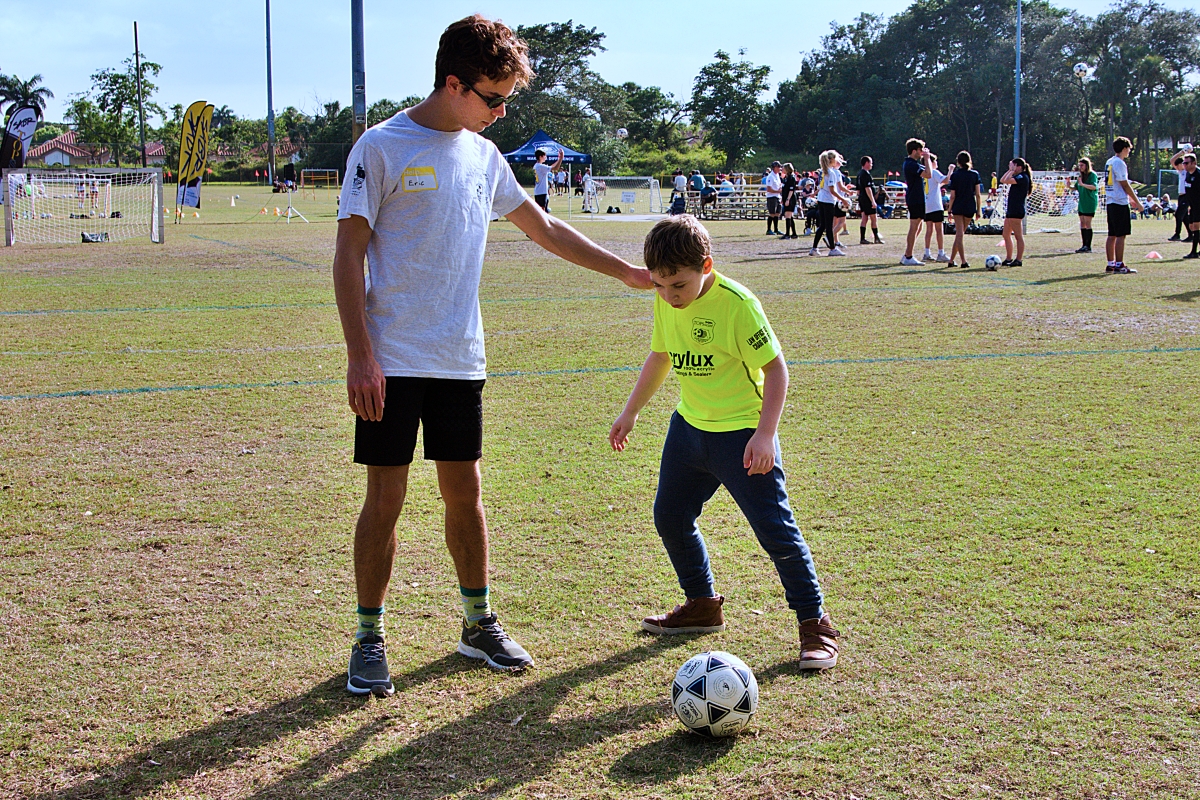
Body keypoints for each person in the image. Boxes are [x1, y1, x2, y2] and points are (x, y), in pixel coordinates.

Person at [333, 14, 653, 696]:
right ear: (453, 83)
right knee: (385, 498)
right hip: (391, 359)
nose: (503, 113)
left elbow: (545, 228)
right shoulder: (381, 147)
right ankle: (369, 637)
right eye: (494, 98)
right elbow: (347, 256)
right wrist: (361, 357)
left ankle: (478, 624)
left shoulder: (484, 156)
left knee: (465, 493)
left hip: (459, 357)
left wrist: (625, 272)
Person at [608, 214, 839, 670]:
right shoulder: (665, 299)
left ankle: (817, 626)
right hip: (689, 429)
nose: (669, 296)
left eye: (678, 285)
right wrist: (631, 410)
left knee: (776, 534)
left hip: (741, 436)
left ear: (707, 266)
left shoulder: (738, 304)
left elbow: (776, 370)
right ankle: (702, 605)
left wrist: (765, 434)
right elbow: (661, 355)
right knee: (670, 518)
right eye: (659, 285)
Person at [1104, 136, 1143, 274]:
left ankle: (1111, 263)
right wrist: (1137, 201)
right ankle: (1119, 264)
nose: (1129, 152)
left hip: (1110, 201)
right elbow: (1124, 184)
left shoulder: (1109, 161)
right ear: (1124, 148)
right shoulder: (1119, 163)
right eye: (1129, 149)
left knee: (1112, 234)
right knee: (1121, 235)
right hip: (1119, 202)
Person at [810, 150, 850, 257]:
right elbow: (833, 190)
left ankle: (814, 248)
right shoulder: (831, 172)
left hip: (822, 199)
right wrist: (843, 199)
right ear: (832, 160)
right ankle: (832, 249)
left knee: (822, 225)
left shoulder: (824, 171)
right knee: (828, 225)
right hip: (828, 200)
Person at [947, 150, 982, 268]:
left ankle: (962, 261)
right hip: (969, 206)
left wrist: (949, 210)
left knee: (959, 235)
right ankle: (951, 260)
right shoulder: (974, 174)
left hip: (958, 206)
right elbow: (977, 194)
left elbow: (952, 196)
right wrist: (979, 210)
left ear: (958, 162)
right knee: (960, 234)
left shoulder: (955, 175)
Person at [901, 138, 928, 266]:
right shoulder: (911, 164)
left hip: (916, 198)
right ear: (914, 151)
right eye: (920, 150)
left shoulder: (912, 163)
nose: (922, 152)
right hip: (915, 198)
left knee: (918, 226)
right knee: (914, 227)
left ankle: (907, 253)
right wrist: (927, 158)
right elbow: (928, 174)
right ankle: (908, 255)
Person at [999, 157, 1030, 266]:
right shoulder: (1017, 176)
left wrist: (1012, 171)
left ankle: (1019, 259)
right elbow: (1002, 180)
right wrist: (1010, 170)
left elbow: (1007, 181)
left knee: (1018, 236)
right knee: (1006, 234)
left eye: (1012, 165)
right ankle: (1008, 258)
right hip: (1011, 210)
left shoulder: (1022, 177)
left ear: (1019, 167)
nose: (1010, 167)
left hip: (1017, 210)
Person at [921, 152, 951, 262]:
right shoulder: (934, 172)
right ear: (931, 162)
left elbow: (937, 184)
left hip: (927, 205)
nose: (936, 163)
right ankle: (941, 253)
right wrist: (950, 170)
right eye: (935, 161)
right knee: (939, 230)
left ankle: (927, 253)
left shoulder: (924, 173)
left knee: (929, 230)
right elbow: (946, 180)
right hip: (936, 205)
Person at [1073, 157, 1099, 254]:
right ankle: (1084, 245)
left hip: (1089, 201)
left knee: (1088, 223)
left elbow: (1094, 187)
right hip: (1082, 202)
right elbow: (1076, 187)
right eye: (1079, 165)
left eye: (1082, 165)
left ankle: (1088, 246)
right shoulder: (1081, 176)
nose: (1080, 167)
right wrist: (1068, 186)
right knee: (1082, 222)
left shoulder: (1092, 175)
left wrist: (1083, 184)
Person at [857, 156, 883, 244]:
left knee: (864, 218)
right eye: (871, 163)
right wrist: (873, 201)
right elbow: (867, 188)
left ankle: (862, 238)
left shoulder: (859, 174)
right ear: (867, 163)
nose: (872, 164)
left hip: (862, 199)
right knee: (874, 218)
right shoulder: (866, 174)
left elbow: (858, 190)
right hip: (867, 199)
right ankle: (876, 238)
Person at [1179, 151, 1199, 259]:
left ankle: (1194, 252)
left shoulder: (1198, 175)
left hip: (1198, 206)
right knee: (1192, 227)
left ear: (1193, 163)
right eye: (1184, 163)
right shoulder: (1187, 174)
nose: (1184, 165)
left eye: (1186, 163)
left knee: (1196, 227)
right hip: (1192, 205)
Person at [532, 146, 563, 213]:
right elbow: (556, 168)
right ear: (540, 157)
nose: (546, 157)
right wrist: (561, 158)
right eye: (544, 156)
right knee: (542, 212)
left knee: (541, 211)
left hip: (538, 191)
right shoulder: (540, 166)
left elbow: (551, 167)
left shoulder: (536, 166)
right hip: (542, 192)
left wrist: (558, 160)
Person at [763, 162, 783, 235]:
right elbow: (769, 189)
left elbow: (779, 185)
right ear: (774, 167)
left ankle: (776, 229)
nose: (779, 169)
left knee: (777, 213)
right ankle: (769, 229)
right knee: (772, 213)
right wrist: (777, 191)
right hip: (772, 197)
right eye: (778, 167)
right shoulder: (770, 176)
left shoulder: (777, 175)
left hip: (777, 196)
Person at [780, 163, 799, 239]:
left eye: (783, 168)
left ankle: (787, 234)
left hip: (790, 198)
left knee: (787, 215)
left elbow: (791, 190)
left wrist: (788, 199)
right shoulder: (786, 178)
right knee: (789, 216)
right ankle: (794, 233)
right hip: (786, 198)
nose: (782, 170)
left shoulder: (791, 178)